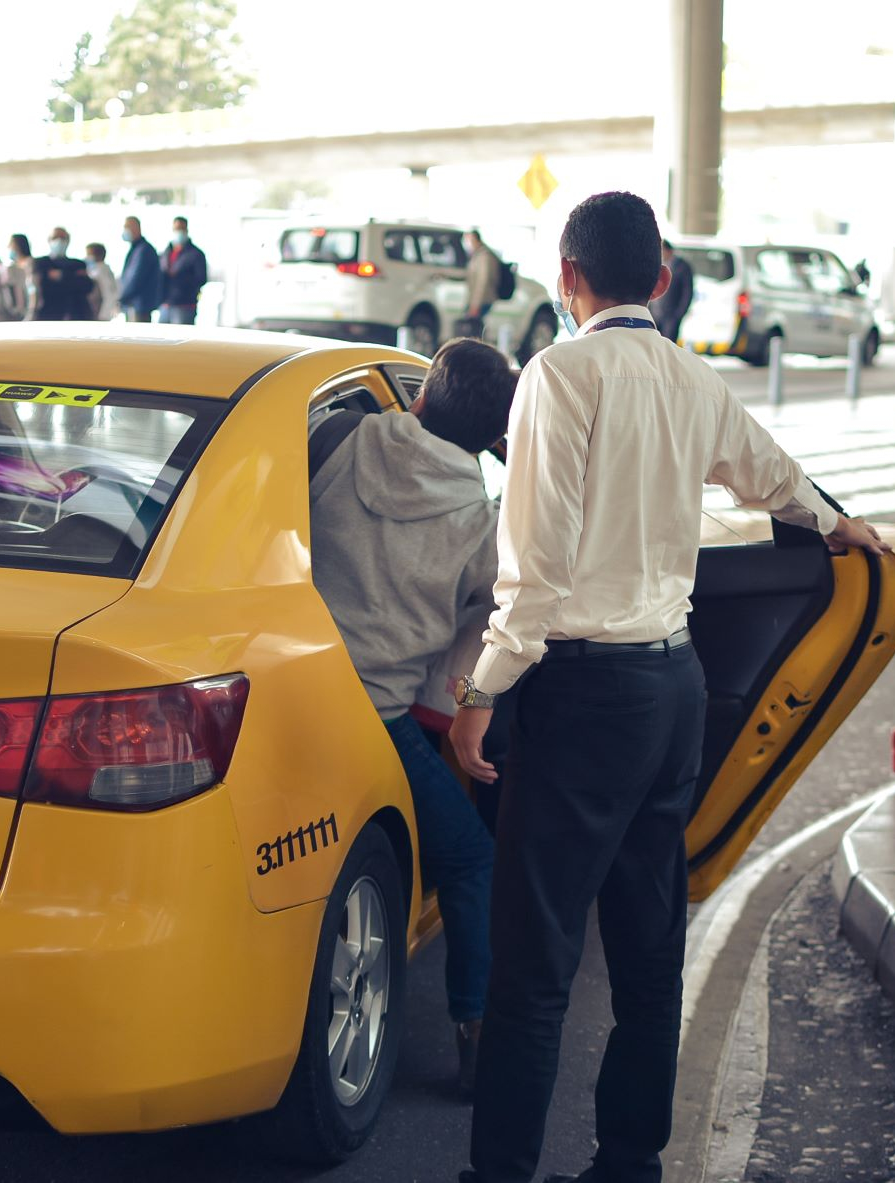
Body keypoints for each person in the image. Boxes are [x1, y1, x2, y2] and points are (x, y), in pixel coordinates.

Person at [447, 191, 887, 1183]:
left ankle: (502, 1172)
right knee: (648, 952)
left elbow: (537, 563)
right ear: (658, 281)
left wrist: (484, 688)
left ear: (566, 279)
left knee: (534, 966)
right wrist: (834, 524)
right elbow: (769, 474)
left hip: (578, 697)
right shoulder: (690, 378)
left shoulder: (558, 375)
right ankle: (627, 1162)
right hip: (674, 692)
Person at [308, 337, 517, 1097]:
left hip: (292, 693)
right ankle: (474, 1035)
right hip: (379, 718)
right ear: (495, 440)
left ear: (421, 395)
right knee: (468, 859)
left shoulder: (335, 438)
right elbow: (501, 614)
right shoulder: (481, 524)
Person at [34, 228, 95, 321]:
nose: (59, 241)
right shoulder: (41, 263)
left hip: (76, 316)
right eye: (55, 238)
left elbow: (87, 286)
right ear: (49, 240)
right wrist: (72, 277)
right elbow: (44, 286)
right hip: (48, 316)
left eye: (63, 238)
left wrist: (60, 275)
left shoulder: (78, 264)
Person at [158, 216, 208, 325]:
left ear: (186, 230)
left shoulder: (196, 254)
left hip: (185, 306)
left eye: (181, 228)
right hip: (165, 305)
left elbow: (201, 278)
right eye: (176, 229)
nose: (178, 232)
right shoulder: (165, 253)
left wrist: (181, 278)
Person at [648, 239, 694, 342]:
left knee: (669, 343)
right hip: (655, 314)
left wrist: (679, 314)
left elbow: (687, 292)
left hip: (671, 315)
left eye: (662, 251)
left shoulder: (682, 266)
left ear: (669, 251)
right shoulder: (656, 264)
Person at [117, 216, 161, 322]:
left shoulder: (144, 250)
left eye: (127, 227)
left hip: (139, 306)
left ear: (136, 228)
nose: (125, 230)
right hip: (133, 304)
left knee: (137, 336)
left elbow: (136, 279)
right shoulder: (136, 249)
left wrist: (122, 298)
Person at [463, 230, 502, 337]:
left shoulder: (484, 256)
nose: (467, 243)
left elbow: (482, 282)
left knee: (476, 330)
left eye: (468, 240)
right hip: (476, 300)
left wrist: (475, 305)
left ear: (475, 239)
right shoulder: (477, 255)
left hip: (482, 300)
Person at [0, 234, 36, 321]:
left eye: (11, 244)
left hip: (28, 307)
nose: (8, 247)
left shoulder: (30, 263)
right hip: (14, 311)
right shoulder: (11, 267)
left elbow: (32, 288)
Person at [86, 243, 121, 321]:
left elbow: (109, 295)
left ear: (98, 255)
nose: (86, 257)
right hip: (102, 313)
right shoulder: (99, 270)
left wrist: (103, 315)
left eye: (88, 254)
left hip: (101, 314)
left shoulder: (100, 272)